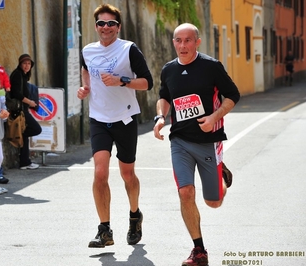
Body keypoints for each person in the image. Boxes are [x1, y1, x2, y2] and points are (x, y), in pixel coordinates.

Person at [153, 23, 240, 265]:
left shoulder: (211, 67)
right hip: (180, 140)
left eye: (188, 40)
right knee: (185, 192)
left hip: (208, 140)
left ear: (197, 42)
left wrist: (214, 117)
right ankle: (199, 250)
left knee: (213, 202)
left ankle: (220, 172)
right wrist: (160, 118)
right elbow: (164, 96)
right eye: (178, 40)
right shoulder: (168, 70)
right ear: (173, 43)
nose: (182, 45)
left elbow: (233, 95)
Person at [77, 4, 153, 248]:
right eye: (101, 23)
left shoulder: (128, 49)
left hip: (125, 118)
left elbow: (147, 83)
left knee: (127, 174)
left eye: (111, 23)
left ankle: (134, 216)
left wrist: (123, 81)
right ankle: (104, 229)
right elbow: (85, 70)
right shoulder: (88, 50)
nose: (106, 27)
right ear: (96, 26)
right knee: (100, 173)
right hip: (99, 118)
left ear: (118, 27)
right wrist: (85, 87)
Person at [9, 54, 42, 170]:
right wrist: (30, 102)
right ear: (20, 64)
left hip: (23, 109)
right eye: (24, 63)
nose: (27, 66)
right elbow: (16, 93)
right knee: (36, 129)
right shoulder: (17, 75)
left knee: (25, 134)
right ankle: (24, 159)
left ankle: (25, 162)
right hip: (20, 110)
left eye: (29, 64)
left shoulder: (23, 75)